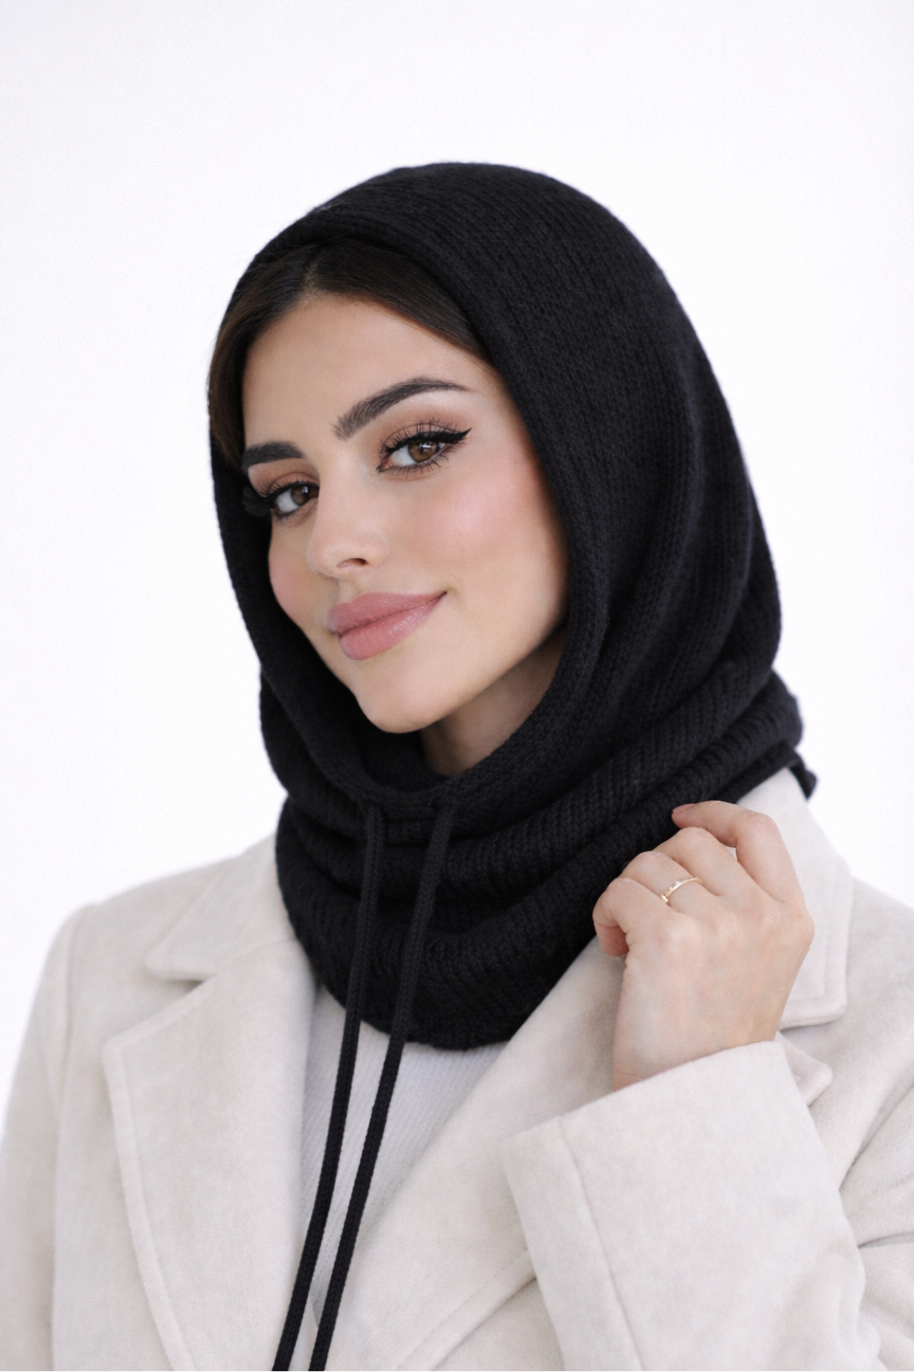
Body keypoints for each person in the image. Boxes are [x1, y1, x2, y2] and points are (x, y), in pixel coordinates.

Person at [0, 163, 910, 1372]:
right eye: (287, 491)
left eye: (417, 444)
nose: (331, 541)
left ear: (607, 444)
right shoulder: (107, 979)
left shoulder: (892, 1035)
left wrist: (698, 1101)